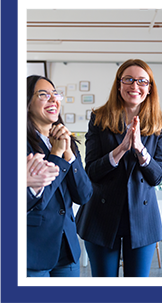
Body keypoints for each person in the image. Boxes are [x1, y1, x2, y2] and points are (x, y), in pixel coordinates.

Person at [76, 59, 162, 277]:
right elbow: (91, 171)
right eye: (128, 79)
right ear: (119, 85)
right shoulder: (99, 119)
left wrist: (139, 149)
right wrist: (119, 150)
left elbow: (157, 176)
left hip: (142, 218)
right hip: (101, 216)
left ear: (149, 88)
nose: (134, 86)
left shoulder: (160, 124)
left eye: (141, 81)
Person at [27, 75, 93, 277]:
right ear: (26, 103)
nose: (53, 99)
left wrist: (69, 154)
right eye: (43, 95)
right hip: (33, 252)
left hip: (67, 250)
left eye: (55, 94)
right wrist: (56, 155)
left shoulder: (67, 140)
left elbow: (83, 195)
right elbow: (37, 200)